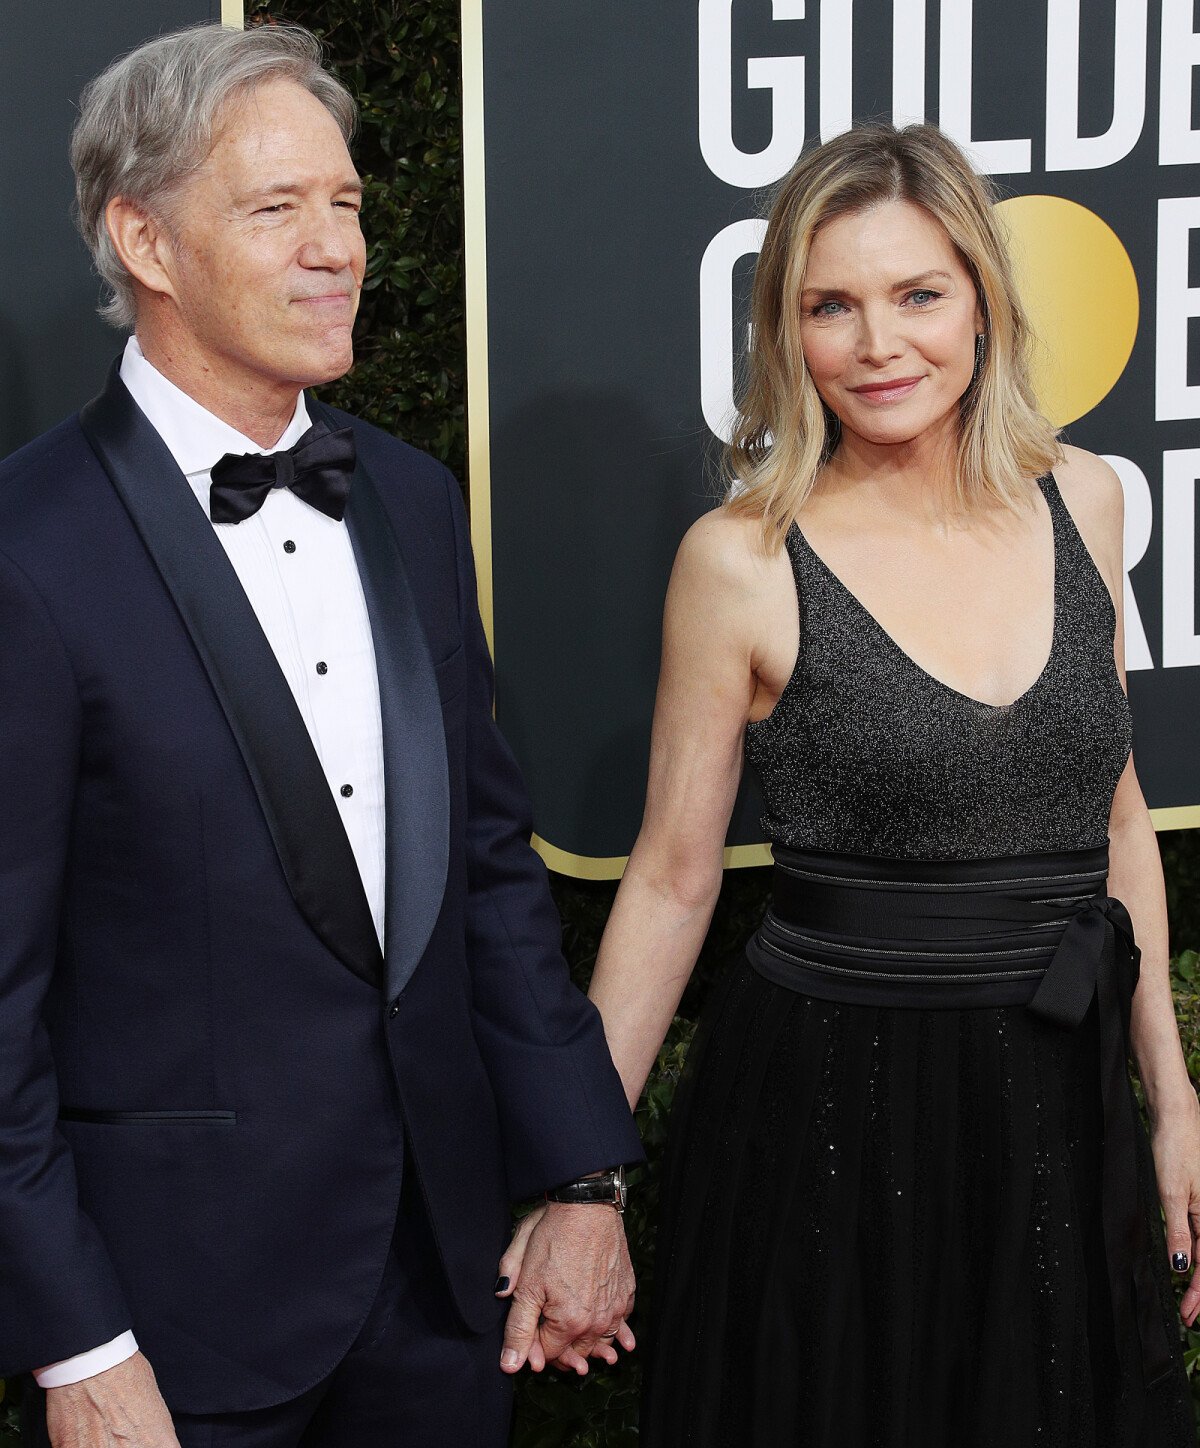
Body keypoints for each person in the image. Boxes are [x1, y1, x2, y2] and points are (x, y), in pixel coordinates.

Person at [0, 22, 641, 1448]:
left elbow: (485, 870)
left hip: (440, 1294)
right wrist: (73, 1345)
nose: (337, 247)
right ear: (143, 241)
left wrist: (583, 1178)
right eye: (276, 208)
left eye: (346, 203)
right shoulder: (26, 552)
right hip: (172, 1331)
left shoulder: (409, 501)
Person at [585, 123, 1200, 1446]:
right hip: (827, 1120)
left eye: (919, 294)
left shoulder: (1086, 501)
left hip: (1059, 1109)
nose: (879, 347)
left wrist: (1174, 1096)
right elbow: (675, 880)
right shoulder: (741, 559)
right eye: (831, 307)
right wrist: (583, 1171)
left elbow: (1117, 812)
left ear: (983, 298)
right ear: (783, 330)